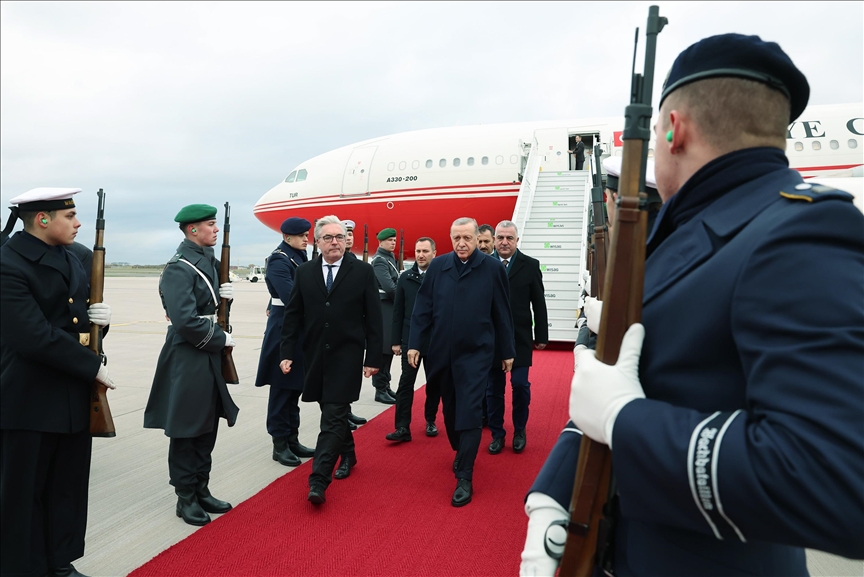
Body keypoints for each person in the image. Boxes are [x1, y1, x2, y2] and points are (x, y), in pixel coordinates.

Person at [520, 33, 864, 577]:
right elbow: (627, 381)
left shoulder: (802, 231)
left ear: (673, 130)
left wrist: (624, 419)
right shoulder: (682, 231)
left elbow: (837, 481)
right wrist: (554, 493)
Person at [1, 187, 115, 577]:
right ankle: (21, 568)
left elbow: (77, 321)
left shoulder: (72, 258)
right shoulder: (7, 263)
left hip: (70, 393)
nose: (77, 223)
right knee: (23, 494)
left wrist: (100, 323)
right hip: (28, 397)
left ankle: (58, 562)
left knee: (66, 488)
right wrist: (91, 366)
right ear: (43, 219)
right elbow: (32, 336)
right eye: (69, 216)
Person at [144, 204, 240, 527]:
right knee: (188, 427)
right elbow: (185, 320)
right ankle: (185, 496)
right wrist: (220, 338)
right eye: (210, 224)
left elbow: (210, 306)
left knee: (207, 423)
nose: (216, 229)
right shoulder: (179, 267)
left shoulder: (209, 261)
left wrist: (227, 300)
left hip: (207, 352)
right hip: (188, 354)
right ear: (192, 229)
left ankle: (201, 487)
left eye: (216, 224)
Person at [408, 217, 515, 507]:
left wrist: (507, 351)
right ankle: (461, 450)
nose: (462, 243)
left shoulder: (492, 269)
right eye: (457, 238)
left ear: (478, 238)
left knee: (470, 410)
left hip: (476, 355)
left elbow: (502, 313)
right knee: (451, 411)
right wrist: (415, 343)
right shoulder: (438, 267)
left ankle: (465, 475)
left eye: (467, 238)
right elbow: (422, 307)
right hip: (442, 353)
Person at [280, 215, 383, 505]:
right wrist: (286, 352)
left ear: (346, 241)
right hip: (315, 355)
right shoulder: (305, 272)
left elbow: (374, 319)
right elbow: (292, 315)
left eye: (339, 237)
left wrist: (374, 358)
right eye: (328, 238)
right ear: (318, 242)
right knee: (332, 412)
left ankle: (318, 480)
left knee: (333, 416)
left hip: (347, 356)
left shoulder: (362, 271)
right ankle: (348, 454)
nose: (335, 242)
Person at [254, 217, 316, 467]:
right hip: (283, 329)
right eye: (301, 236)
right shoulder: (279, 260)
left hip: (297, 329)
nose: (305, 239)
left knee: (294, 388)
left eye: (307, 235)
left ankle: (292, 438)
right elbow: (291, 297)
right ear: (287, 237)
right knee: (282, 388)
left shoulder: (299, 256)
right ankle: (279, 444)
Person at [486, 221, 548, 455]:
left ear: (517, 241)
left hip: (519, 338)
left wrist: (541, 335)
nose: (504, 242)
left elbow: (539, 303)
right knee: (494, 389)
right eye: (500, 237)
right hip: (491, 338)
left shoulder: (530, 265)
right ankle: (497, 433)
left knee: (520, 385)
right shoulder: (483, 265)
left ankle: (519, 430)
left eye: (509, 238)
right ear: (494, 240)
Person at [385, 237, 441, 442]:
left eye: (425, 251)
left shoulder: (441, 277)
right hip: (410, 340)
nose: (421, 255)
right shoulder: (405, 278)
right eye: (418, 251)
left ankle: (430, 420)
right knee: (405, 383)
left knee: (434, 384)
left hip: (435, 339)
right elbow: (397, 311)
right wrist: (395, 341)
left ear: (434, 253)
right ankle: (402, 427)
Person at [341, 219, 368, 430]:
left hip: (352, 324)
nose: (349, 238)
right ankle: (341, 414)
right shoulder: (338, 260)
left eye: (350, 235)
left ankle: (346, 411)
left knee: (349, 375)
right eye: (345, 234)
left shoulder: (353, 260)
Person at [370, 227, 399, 405]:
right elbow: (389, 287)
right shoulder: (380, 261)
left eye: (394, 240)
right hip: (384, 307)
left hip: (389, 306)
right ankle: (380, 389)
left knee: (388, 349)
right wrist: (402, 300)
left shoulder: (389, 258)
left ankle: (385, 385)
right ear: (381, 242)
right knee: (383, 349)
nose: (393, 243)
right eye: (389, 240)